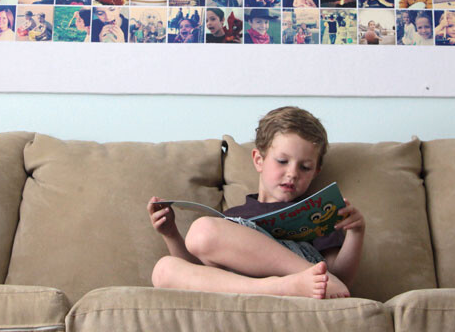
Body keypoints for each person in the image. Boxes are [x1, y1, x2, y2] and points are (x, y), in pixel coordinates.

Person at [148, 106, 363, 298]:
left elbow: (337, 280)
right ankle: (279, 287)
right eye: (282, 161)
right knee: (163, 269)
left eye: (304, 167)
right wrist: (171, 234)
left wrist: (356, 232)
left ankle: (297, 276)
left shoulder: (317, 211)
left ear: (316, 171)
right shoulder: (233, 217)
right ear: (259, 160)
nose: (292, 173)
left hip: (308, 274)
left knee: (203, 231)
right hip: (244, 286)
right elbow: (198, 272)